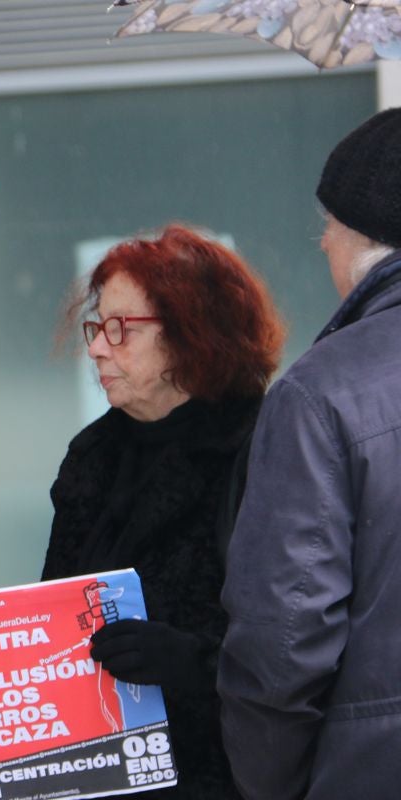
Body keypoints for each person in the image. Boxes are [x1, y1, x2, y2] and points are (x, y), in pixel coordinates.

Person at [41, 224, 284, 799]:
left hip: (226, 775)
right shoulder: (93, 455)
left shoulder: (267, 450)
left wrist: (193, 663)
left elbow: (297, 643)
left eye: (121, 330)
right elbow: (53, 607)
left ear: (192, 335)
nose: (97, 346)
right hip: (101, 775)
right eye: (97, 326)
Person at [218, 108, 401, 800]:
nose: (321, 245)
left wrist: (275, 786)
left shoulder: (320, 392)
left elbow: (282, 640)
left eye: (326, 226)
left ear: (362, 235)